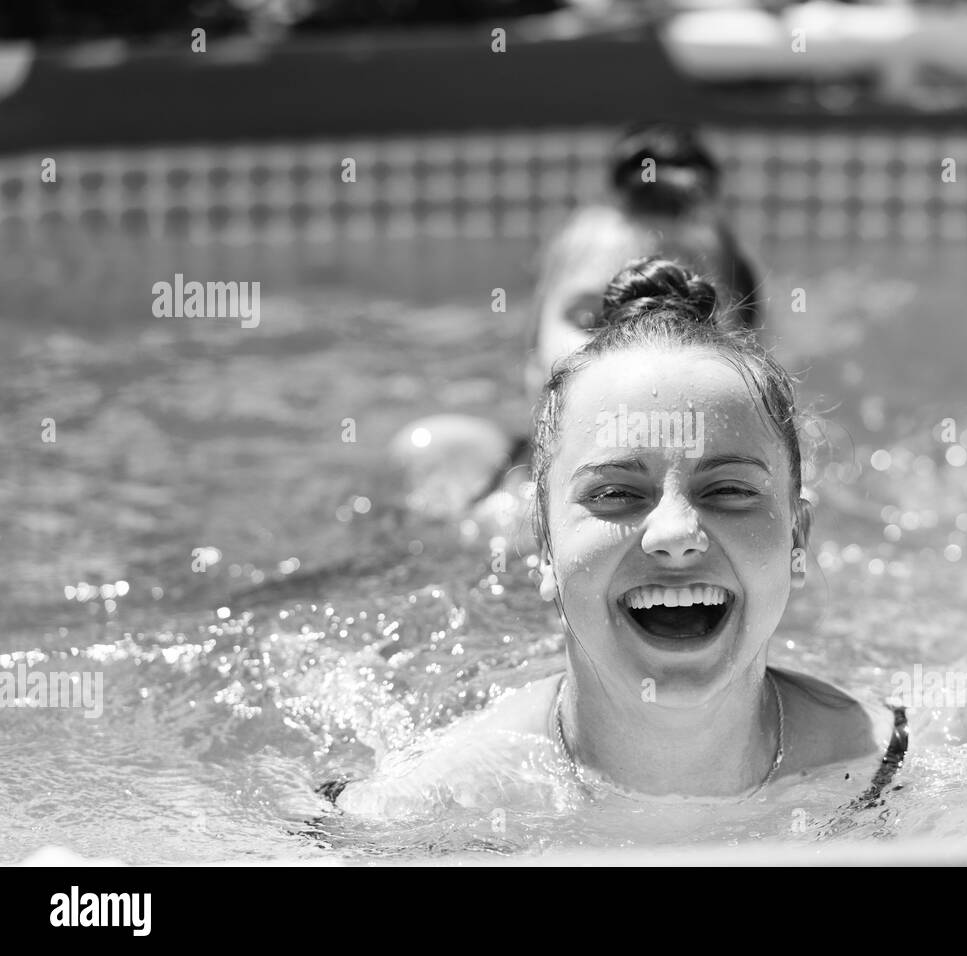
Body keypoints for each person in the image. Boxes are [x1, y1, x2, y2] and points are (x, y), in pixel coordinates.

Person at [324, 257, 905, 818]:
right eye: (615, 494)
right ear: (545, 549)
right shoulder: (435, 805)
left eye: (728, 490)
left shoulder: (894, 764)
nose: (676, 533)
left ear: (797, 538)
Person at [388, 123, 762, 534]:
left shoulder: (770, 508)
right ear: (533, 347)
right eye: (590, 319)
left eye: (679, 319)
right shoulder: (463, 471)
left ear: (750, 367)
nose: (629, 349)